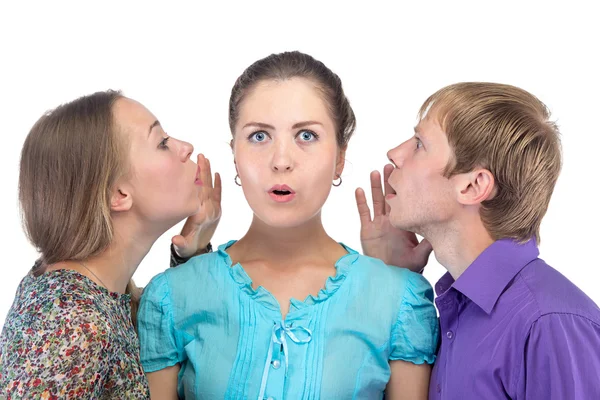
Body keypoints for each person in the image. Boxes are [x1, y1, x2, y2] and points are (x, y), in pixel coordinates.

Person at [137, 51, 439, 400]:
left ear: (340, 157)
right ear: (234, 153)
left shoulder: (401, 300)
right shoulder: (170, 295)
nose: (281, 161)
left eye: (306, 136)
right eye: (259, 137)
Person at [356, 82, 600, 399]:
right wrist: (394, 279)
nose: (395, 154)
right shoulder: (456, 309)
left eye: (419, 144)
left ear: (473, 186)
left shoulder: (550, 324)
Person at [0, 90, 221, 399]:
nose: (186, 148)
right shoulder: (72, 325)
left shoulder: (86, 297)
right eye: (162, 142)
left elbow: (162, 341)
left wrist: (192, 254)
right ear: (118, 194)